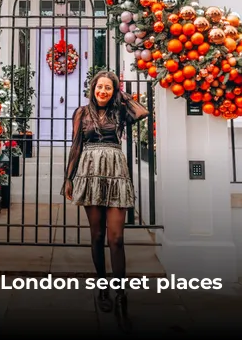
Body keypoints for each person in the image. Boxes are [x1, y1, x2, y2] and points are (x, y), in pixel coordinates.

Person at [61, 70, 148, 332]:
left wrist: (119, 94)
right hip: (88, 171)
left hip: (115, 171)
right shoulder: (81, 113)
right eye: (100, 87)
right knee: (97, 235)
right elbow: (76, 144)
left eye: (108, 88)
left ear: (113, 91)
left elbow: (142, 111)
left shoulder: (119, 111)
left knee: (116, 239)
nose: (103, 92)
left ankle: (121, 296)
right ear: (93, 88)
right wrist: (69, 178)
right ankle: (102, 286)